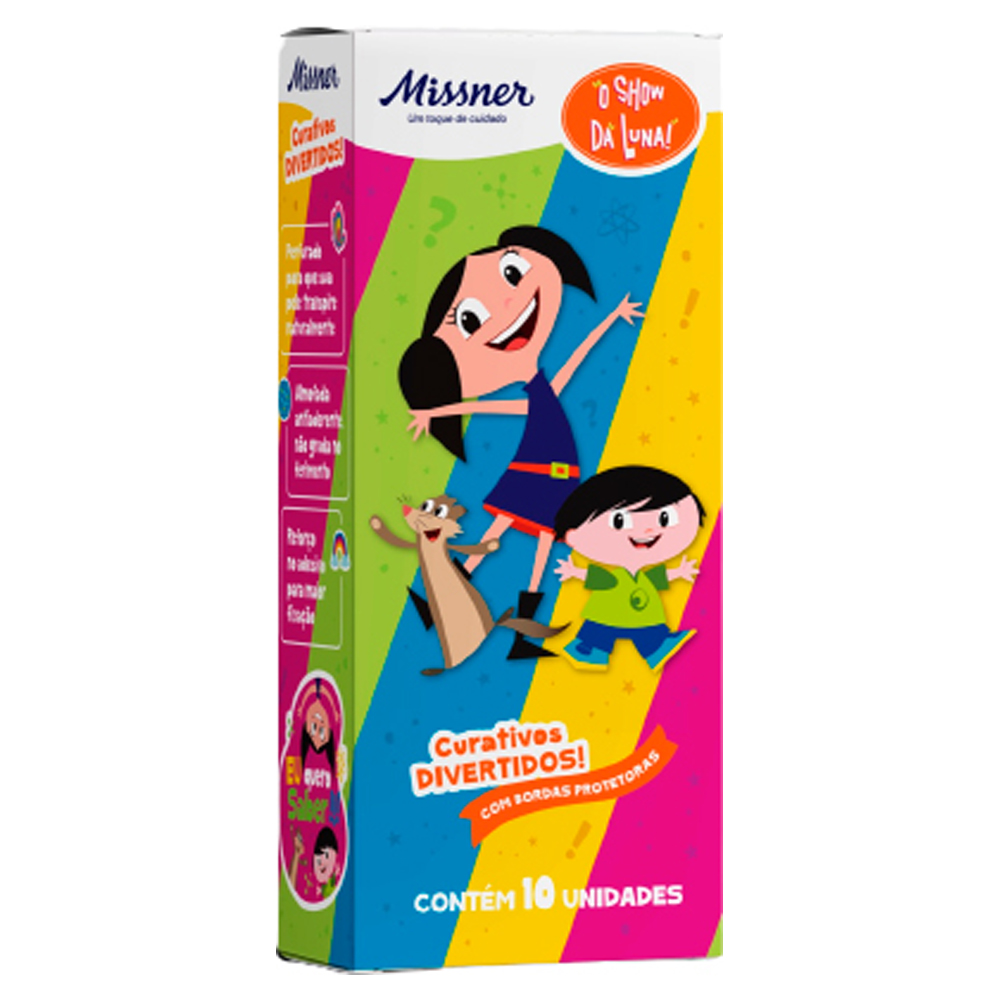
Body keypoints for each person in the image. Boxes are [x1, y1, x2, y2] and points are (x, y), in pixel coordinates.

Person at [400, 225, 643, 659]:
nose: (511, 307)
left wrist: (610, 318)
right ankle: (471, 619)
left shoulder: (543, 389)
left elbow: (575, 359)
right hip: (539, 472)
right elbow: (500, 407)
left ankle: (510, 635)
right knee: (507, 539)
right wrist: (438, 412)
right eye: (469, 320)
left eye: (513, 272)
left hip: (556, 476)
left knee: (522, 543)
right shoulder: (534, 395)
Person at [553, 465, 705, 670]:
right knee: (599, 633)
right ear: (572, 535)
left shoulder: (643, 577)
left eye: (665, 518)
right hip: (608, 614)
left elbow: (657, 578)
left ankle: (657, 647)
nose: (648, 529)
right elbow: (595, 577)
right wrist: (574, 572)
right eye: (619, 521)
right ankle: (588, 649)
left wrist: (679, 572)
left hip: (640, 617)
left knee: (646, 632)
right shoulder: (613, 578)